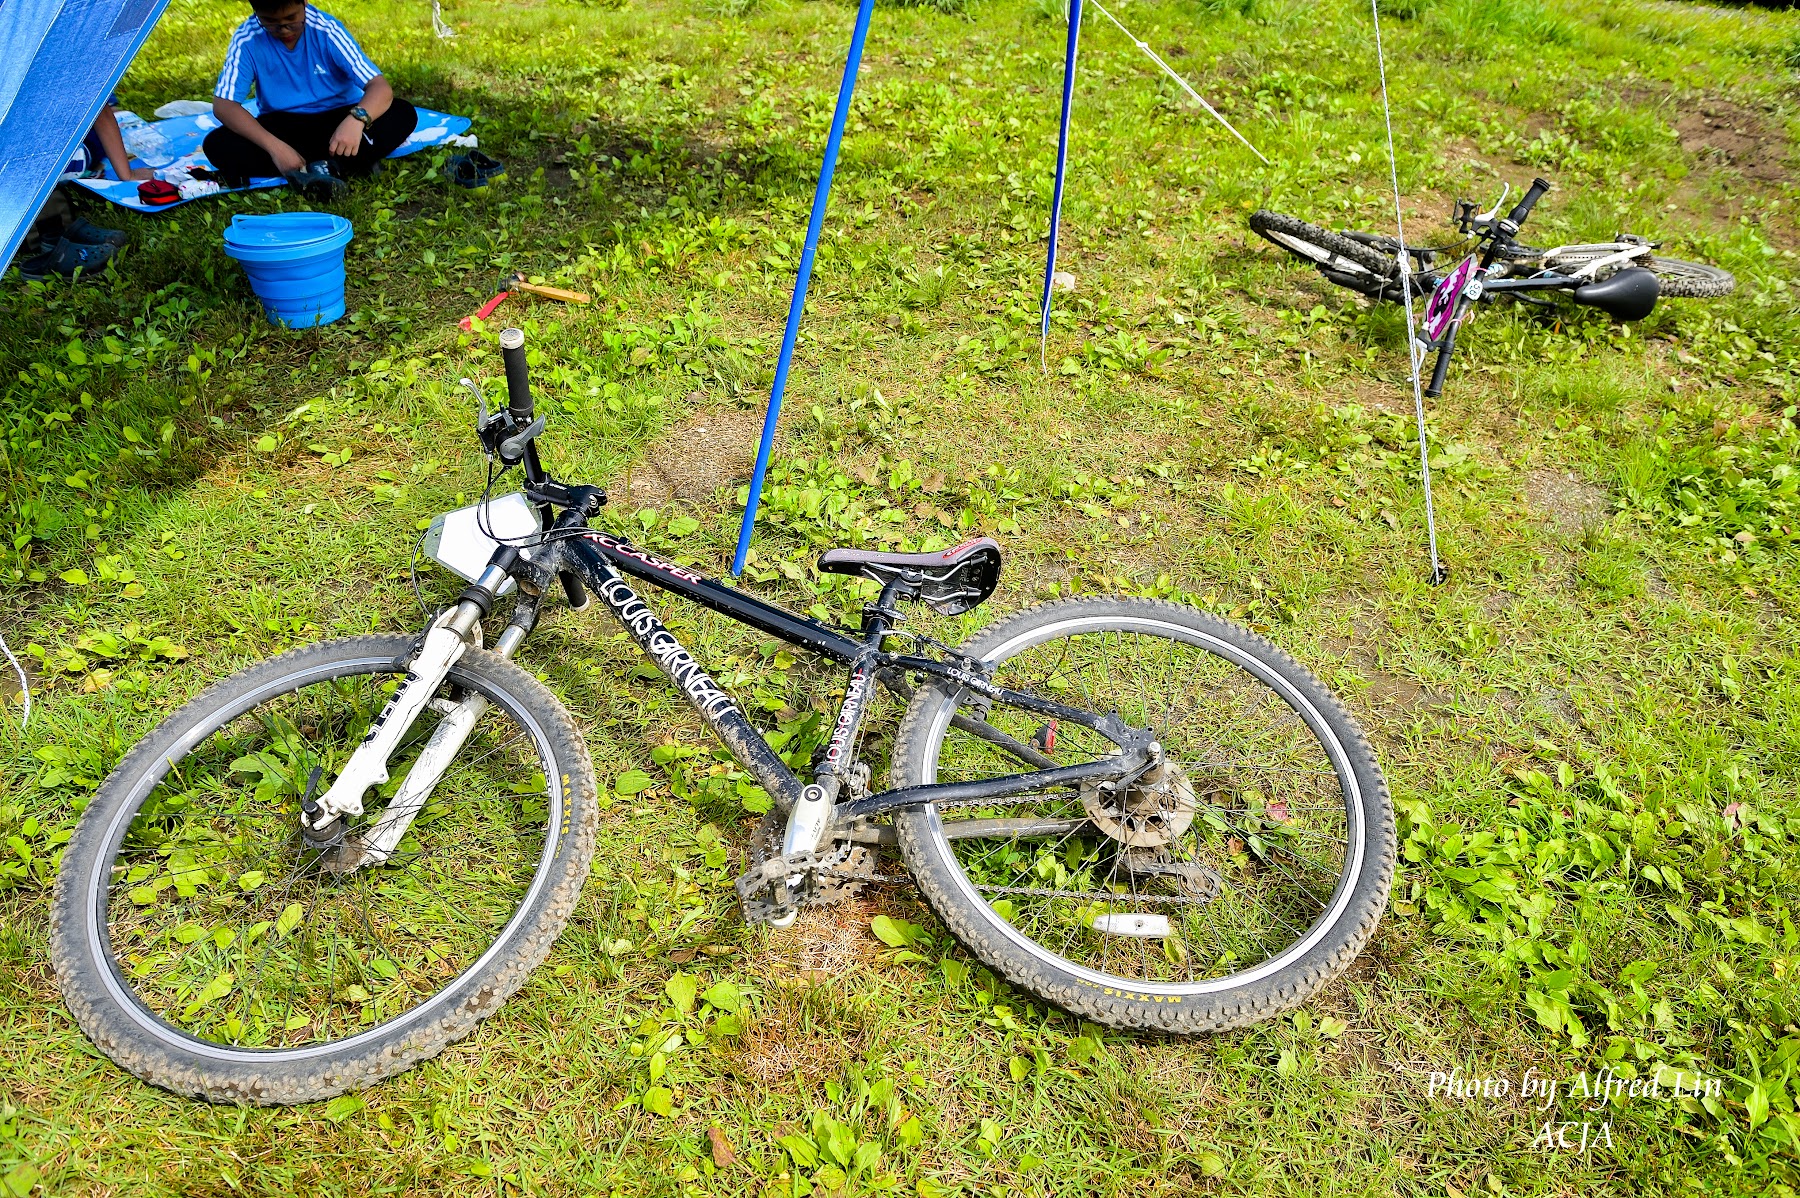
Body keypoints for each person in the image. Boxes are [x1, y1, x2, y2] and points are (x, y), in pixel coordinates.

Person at [203, 0, 417, 201]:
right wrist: (275, 148)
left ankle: (307, 171)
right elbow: (224, 106)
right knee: (217, 144)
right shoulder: (247, 39)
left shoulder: (327, 30)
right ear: (255, 11)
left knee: (403, 112)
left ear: (304, 2)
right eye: (270, 22)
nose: (284, 30)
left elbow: (379, 87)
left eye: (291, 19)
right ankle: (344, 164)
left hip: (340, 119)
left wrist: (356, 120)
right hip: (285, 127)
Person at [14, 103, 151, 280]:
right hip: (51, 157)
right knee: (93, 138)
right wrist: (127, 174)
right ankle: (45, 231)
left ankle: (49, 230)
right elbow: (101, 110)